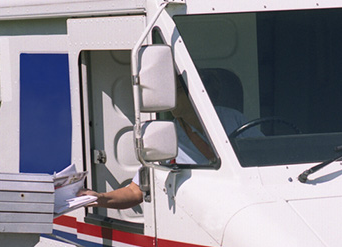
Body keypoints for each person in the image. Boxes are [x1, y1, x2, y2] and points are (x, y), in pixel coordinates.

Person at [79, 72, 257, 209]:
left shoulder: (233, 118)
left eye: (174, 91)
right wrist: (99, 198)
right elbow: (135, 191)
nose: (167, 99)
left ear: (195, 94)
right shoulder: (165, 134)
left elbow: (262, 154)